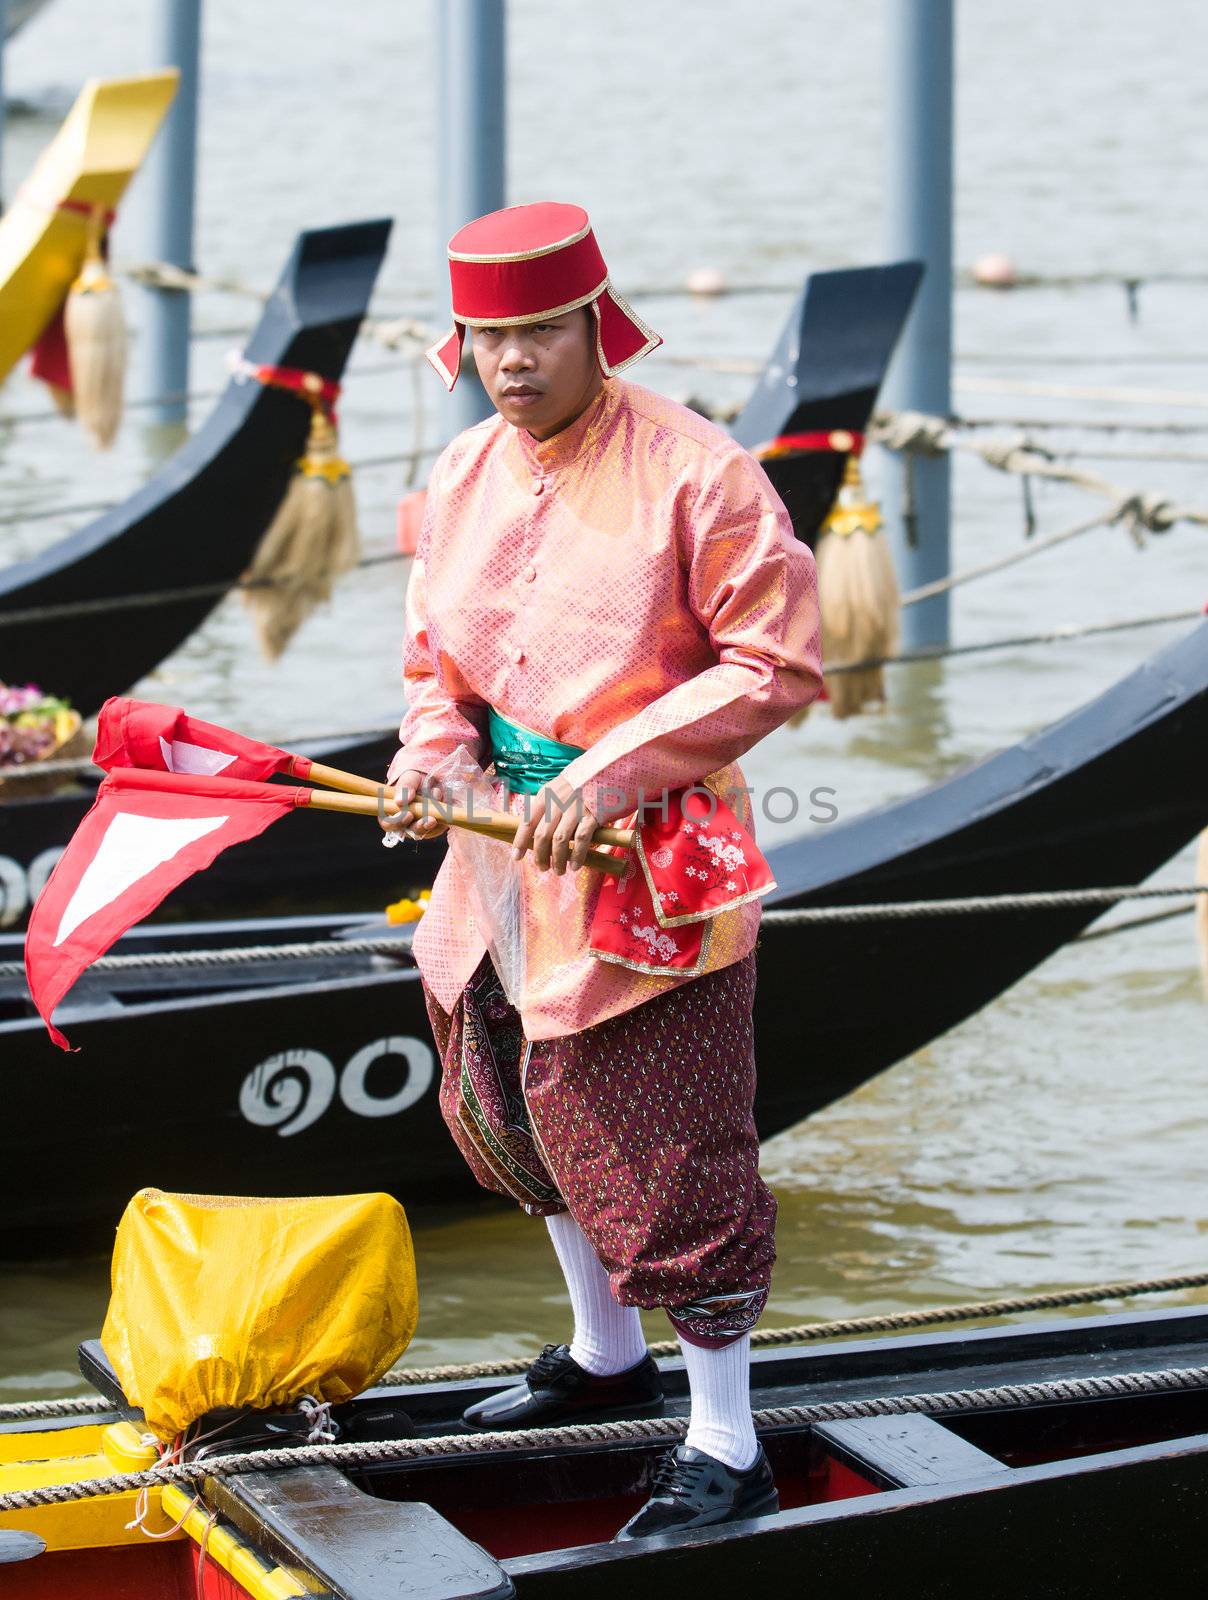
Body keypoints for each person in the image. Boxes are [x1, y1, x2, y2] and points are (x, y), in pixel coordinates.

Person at [383, 202, 822, 1540]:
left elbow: (778, 661)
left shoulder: (699, 471)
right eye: (491, 337)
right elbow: (430, 667)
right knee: (521, 1108)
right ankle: (601, 1361)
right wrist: (431, 754)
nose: (514, 360)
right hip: (490, 863)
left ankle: (726, 1439)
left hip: (647, 858)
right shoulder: (459, 473)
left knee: (669, 1148)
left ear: (596, 326)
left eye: (539, 331)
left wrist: (605, 775)